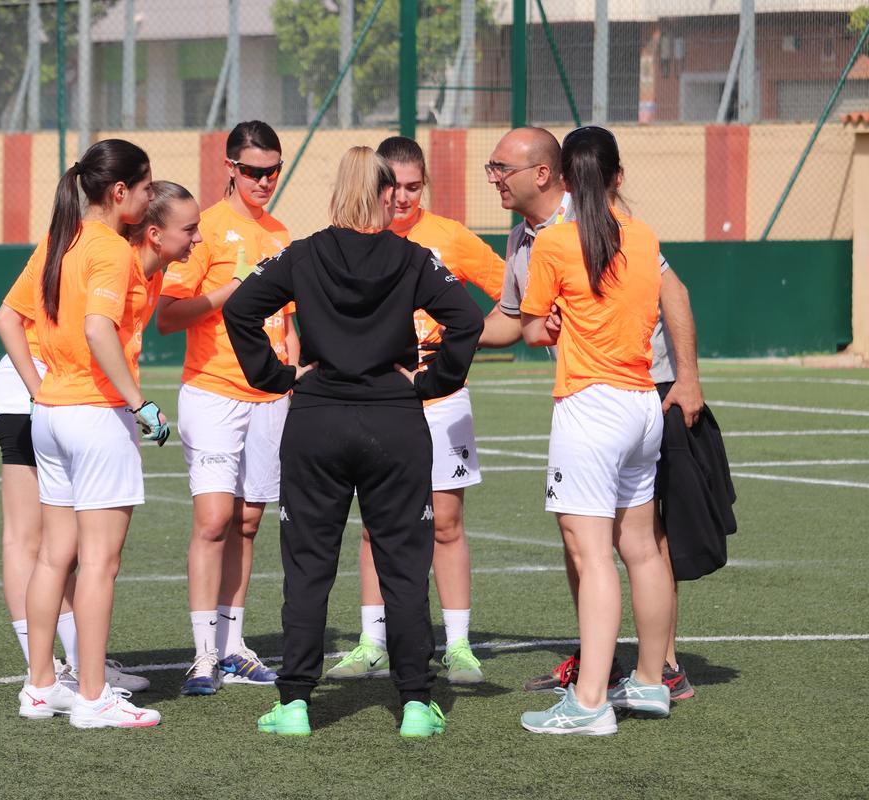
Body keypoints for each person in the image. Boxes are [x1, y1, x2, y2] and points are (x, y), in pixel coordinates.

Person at [224, 146, 484, 738]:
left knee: (309, 566)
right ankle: (416, 704)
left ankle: (294, 704)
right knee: (404, 563)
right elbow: (467, 320)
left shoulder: (303, 253)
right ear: (386, 192)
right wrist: (432, 381)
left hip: (317, 423)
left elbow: (241, 309)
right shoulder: (413, 257)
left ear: (338, 190)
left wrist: (277, 377)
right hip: (394, 423)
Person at [479, 127, 704, 700]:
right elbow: (514, 320)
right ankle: (627, 667)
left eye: (502, 166)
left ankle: (644, 673)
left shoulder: (594, 214)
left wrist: (688, 378)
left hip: (631, 388)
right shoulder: (523, 240)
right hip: (613, 395)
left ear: (545, 173)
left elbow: (671, 291)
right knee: (591, 537)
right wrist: (453, 337)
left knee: (633, 539)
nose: (493, 176)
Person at [0, 139, 168, 728]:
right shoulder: (110, 249)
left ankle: (40, 686)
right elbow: (99, 331)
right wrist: (140, 404)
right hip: (94, 415)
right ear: (119, 192)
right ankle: (92, 697)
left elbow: (5, 318)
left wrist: (39, 386)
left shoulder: (59, 240)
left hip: (52, 415)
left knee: (54, 557)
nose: (150, 198)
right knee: (98, 562)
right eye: (146, 188)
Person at [325, 136, 503, 685]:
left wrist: (455, 346)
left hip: (443, 399)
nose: (402, 198)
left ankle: (458, 645)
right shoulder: (355, 239)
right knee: (375, 525)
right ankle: (372, 642)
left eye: (413, 186)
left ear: (424, 185)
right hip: (377, 402)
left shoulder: (449, 237)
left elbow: (515, 299)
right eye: (393, 186)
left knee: (446, 522)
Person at [517, 125, 676, 735]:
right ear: (617, 176)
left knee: (592, 552)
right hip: (641, 404)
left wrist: (552, 323)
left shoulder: (554, 243)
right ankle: (651, 682)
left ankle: (588, 704)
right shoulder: (644, 236)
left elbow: (533, 329)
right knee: (641, 547)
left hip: (590, 405)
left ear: (562, 179)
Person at [156, 121, 298, 695]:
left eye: (274, 170)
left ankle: (234, 646)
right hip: (213, 390)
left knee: (248, 521)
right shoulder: (204, 230)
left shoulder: (284, 233)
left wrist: (294, 374)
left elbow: (289, 321)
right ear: (231, 168)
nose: (265, 181)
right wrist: (224, 293)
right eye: (255, 171)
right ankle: (202, 654)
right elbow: (168, 315)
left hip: (271, 397)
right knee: (214, 520)